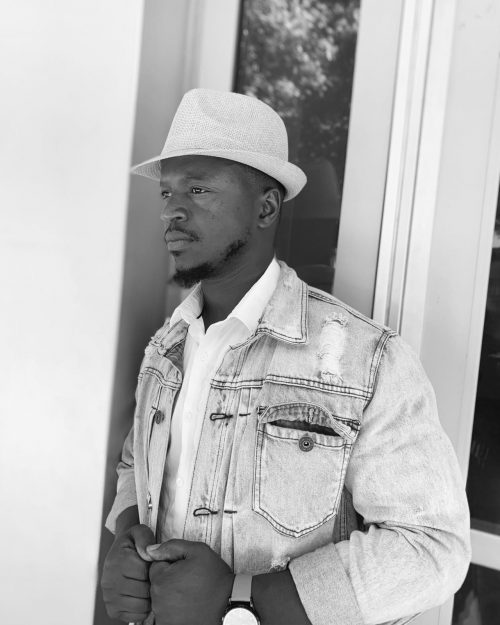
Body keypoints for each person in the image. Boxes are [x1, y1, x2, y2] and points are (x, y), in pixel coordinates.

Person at [101, 88, 471, 625]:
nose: (171, 211)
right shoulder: (169, 343)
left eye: (198, 188)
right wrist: (127, 532)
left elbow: (432, 548)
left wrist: (242, 597)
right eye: (166, 192)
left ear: (266, 207)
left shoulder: (366, 361)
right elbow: (136, 462)